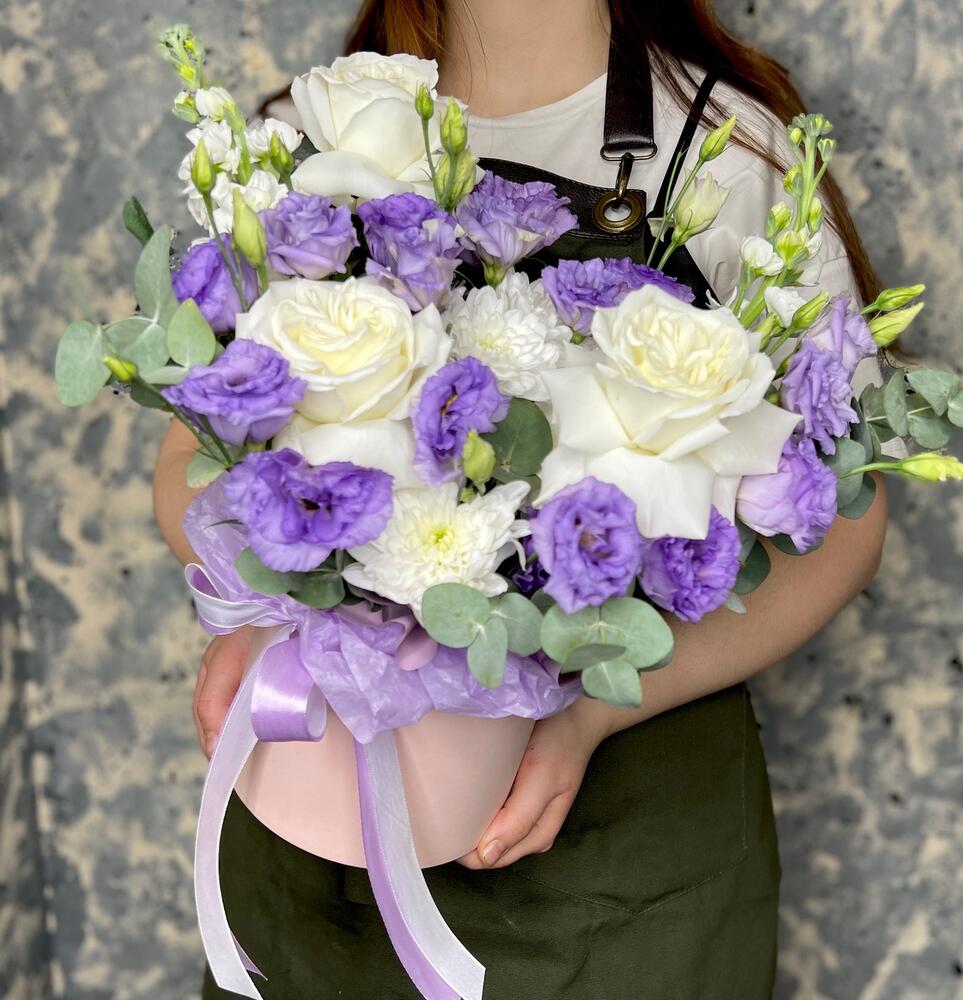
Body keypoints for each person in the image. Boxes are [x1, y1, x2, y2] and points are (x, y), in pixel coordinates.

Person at [154, 1, 891, 996]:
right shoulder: (299, 141)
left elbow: (844, 528)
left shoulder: (724, 152)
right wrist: (264, 615)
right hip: (316, 850)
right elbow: (190, 455)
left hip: (624, 870)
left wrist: (589, 715)